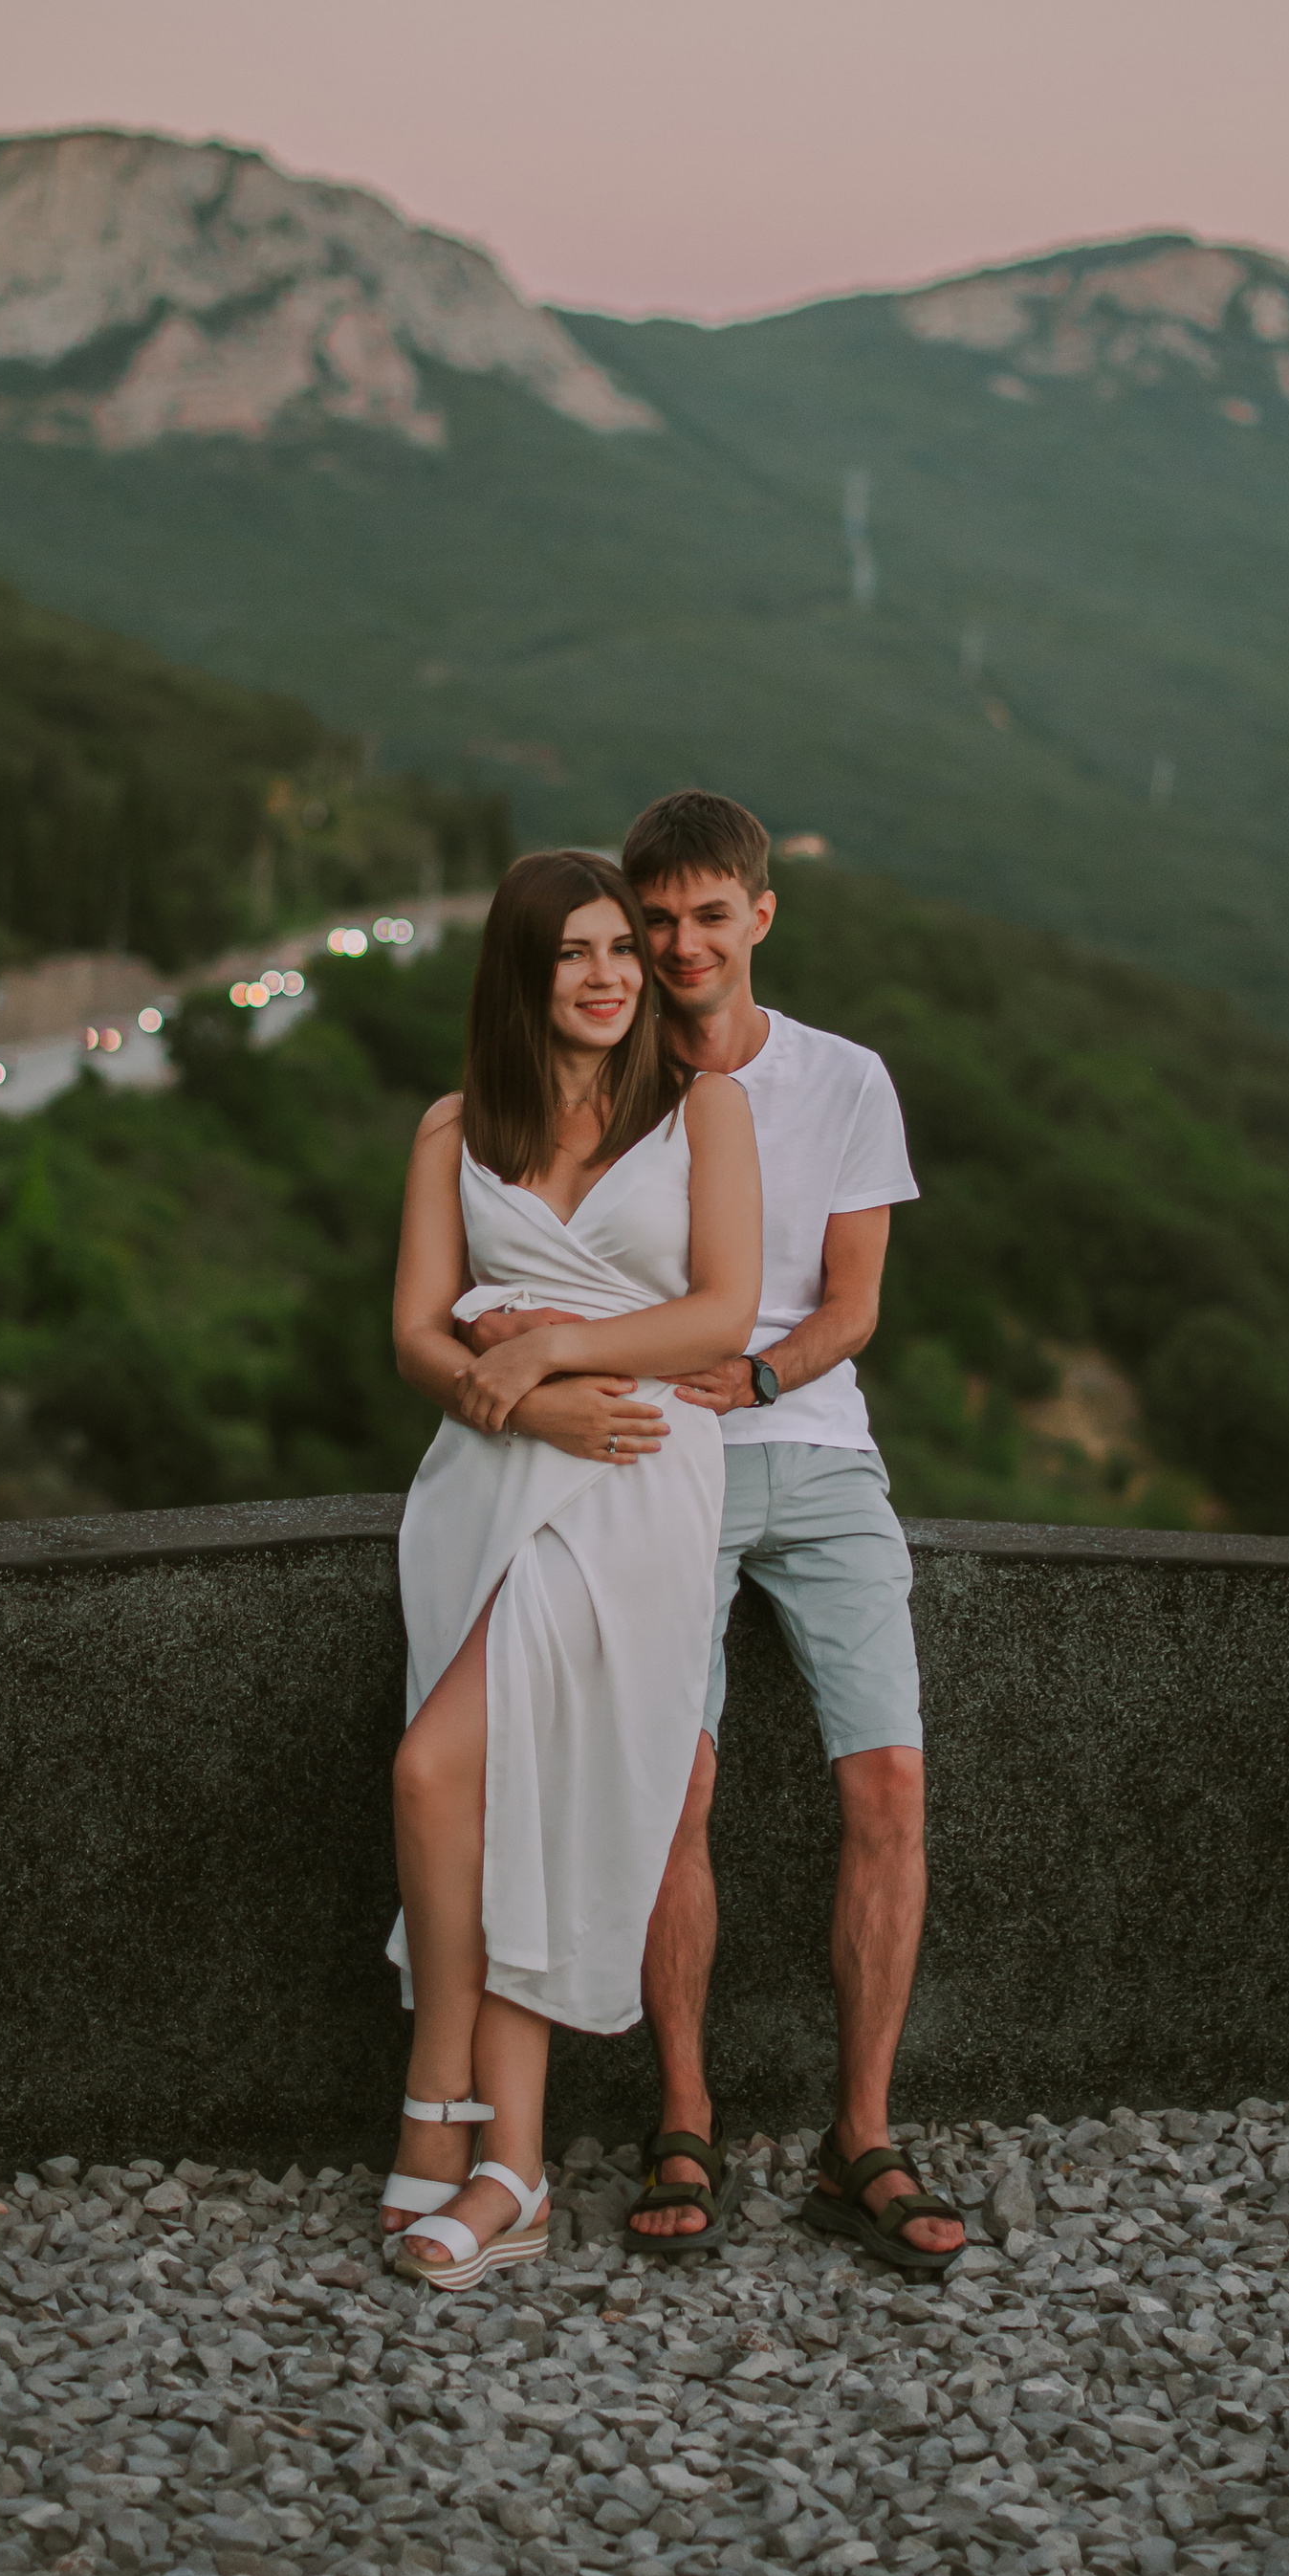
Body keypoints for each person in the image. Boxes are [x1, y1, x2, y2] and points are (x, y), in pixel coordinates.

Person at [382, 849, 761, 2293]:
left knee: (435, 1770)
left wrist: (550, 1347)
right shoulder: (454, 1129)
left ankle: (439, 2089)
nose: (609, 973)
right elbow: (420, 1334)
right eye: (573, 953)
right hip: (486, 1476)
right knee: (499, 1802)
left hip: (631, 1479)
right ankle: (512, 2166)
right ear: (521, 972)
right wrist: (517, 1395)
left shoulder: (700, 1109)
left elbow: (721, 1310)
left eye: (622, 946)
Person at [620, 788, 968, 2277]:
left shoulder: (845, 1079)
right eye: (661, 920)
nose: (686, 943)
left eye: (712, 914)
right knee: (673, 1789)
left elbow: (854, 1304)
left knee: (889, 1785)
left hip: (816, 1450)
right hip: (660, 1463)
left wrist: (758, 1372)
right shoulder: (614, 1074)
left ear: (761, 915)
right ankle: (683, 2115)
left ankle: (861, 2135)